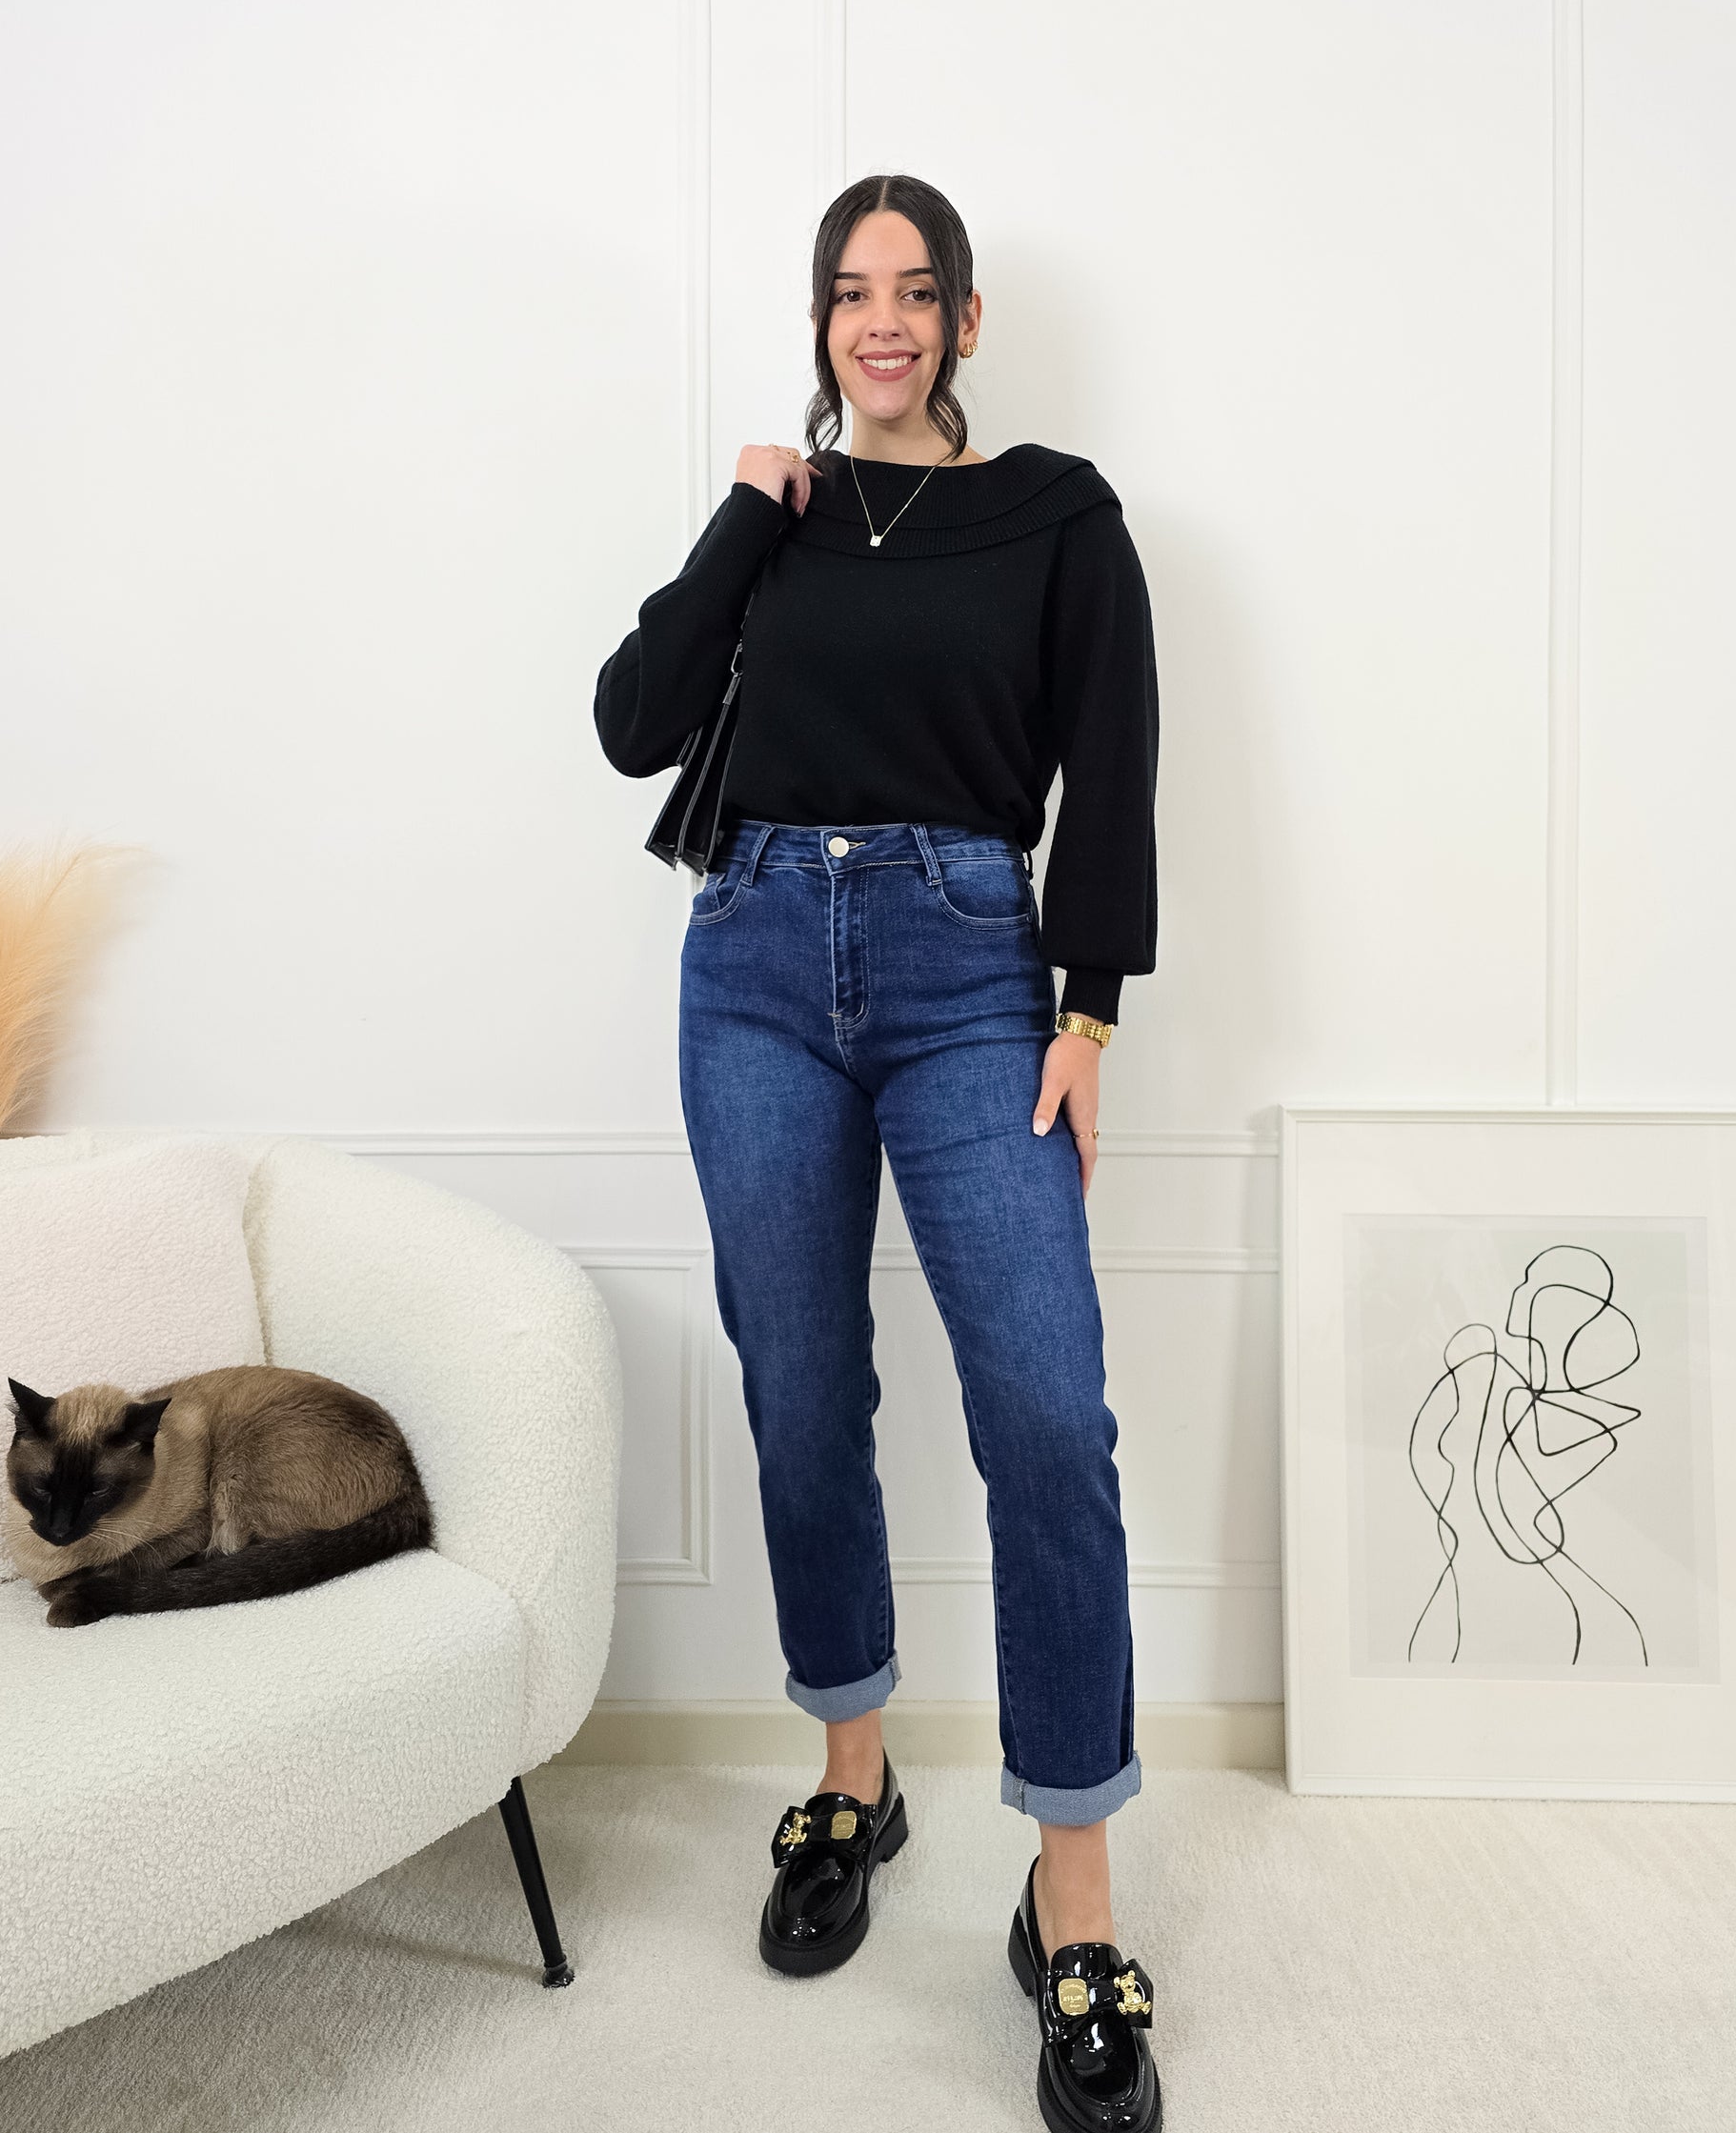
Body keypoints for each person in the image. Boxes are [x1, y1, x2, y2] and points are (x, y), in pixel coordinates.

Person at [594, 171, 1162, 2133]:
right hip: (753, 962)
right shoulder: (783, 515)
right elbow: (634, 720)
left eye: (917, 292)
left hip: (966, 967)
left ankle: (1071, 1894)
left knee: (1046, 1413)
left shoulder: (1055, 513)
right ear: (821, 321)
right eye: (851, 292)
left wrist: (1086, 1008)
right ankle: (853, 1772)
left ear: (968, 319)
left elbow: (1112, 753)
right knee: (801, 1387)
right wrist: (745, 508)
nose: (885, 322)